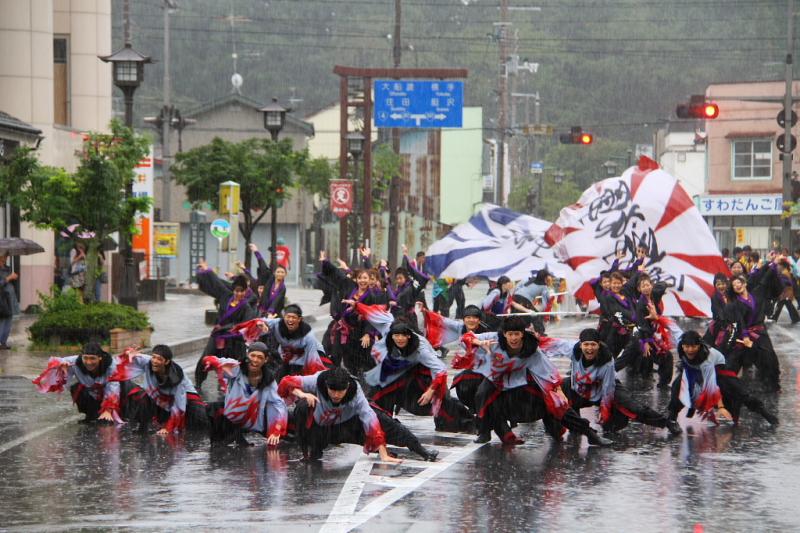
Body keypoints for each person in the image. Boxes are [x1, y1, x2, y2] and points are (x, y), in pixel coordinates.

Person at [464, 316, 612, 446]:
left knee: (558, 404)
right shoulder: (493, 339)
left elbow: (548, 372)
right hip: (496, 377)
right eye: (510, 334)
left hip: (523, 378)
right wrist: (478, 342)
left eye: (517, 334)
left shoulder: (532, 349)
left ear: (522, 334)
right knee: (479, 394)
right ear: (504, 334)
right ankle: (484, 432)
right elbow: (466, 337)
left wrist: (558, 390)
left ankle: (589, 434)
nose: (514, 338)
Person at [278, 366, 438, 462]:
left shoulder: (356, 392)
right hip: (322, 428)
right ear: (326, 385)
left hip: (350, 425)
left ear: (347, 387)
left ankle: (422, 451)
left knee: (388, 423)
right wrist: (302, 394)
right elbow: (286, 382)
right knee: (302, 407)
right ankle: (310, 452)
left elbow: (370, 420)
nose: (336, 395)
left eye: (340, 391)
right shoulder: (317, 379)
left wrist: (383, 454)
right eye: (332, 390)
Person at [558, 329, 681, 435]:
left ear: (598, 345)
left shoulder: (607, 361)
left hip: (606, 387)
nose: (589, 349)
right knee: (562, 385)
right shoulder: (572, 349)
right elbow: (551, 344)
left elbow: (608, 391)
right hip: (582, 387)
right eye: (586, 345)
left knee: (635, 408)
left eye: (593, 345)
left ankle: (667, 422)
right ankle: (575, 425)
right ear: (580, 345)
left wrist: (604, 414)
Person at [668, 331, 778, 426]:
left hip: (719, 372)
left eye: (693, 347)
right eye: (687, 347)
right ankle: (672, 419)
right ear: (682, 346)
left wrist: (721, 407)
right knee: (677, 385)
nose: (690, 350)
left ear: (699, 346)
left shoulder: (707, 356)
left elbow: (712, 385)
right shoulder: (681, 349)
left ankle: (764, 413)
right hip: (695, 371)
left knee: (740, 392)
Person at [203, 342, 288, 447]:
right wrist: (213, 363)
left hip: (254, 420)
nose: (255, 360)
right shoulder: (236, 368)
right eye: (253, 356)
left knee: (287, 428)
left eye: (260, 357)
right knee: (213, 409)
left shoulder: (269, 381)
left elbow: (278, 405)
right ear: (247, 355)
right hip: (232, 419)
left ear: (265, 360)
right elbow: (210, 360)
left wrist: (276, 430)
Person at [111, 344, 208, 434]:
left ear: (166, 362)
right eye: (153, 357)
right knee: (142, 396)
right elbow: (123, 362)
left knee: (201, 419)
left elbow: (179, 406)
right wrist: (127, 354)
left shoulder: (176, 379)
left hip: (185, 398)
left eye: (159, 359)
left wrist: (168, 428)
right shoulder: (148, 361)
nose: (154, 361)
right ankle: (143, 426)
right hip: (158, 396)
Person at [195, 261, 257, 386]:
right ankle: (198, 382)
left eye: (242, 292)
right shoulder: (225, 296)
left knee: (232, 365)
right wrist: (208, 271)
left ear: (245, 292)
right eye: (237, 291)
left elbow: (244, 326)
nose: (239, 294)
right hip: (217, 336)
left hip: (232, 340)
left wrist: (228, 330)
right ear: (233, 290)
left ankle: (231, 386)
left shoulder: (246, 308)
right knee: (206, 358)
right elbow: (217, 283)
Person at [32, 342, 127, 423]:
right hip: (92, 393)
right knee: (75, 388)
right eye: (85, 358)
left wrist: (108, 410)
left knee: (126, 385)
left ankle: (122, 413)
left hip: (112, 394)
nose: (88, 362)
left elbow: (113, 386)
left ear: (100, 358)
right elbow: (57, 362)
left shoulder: (111, 365)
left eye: (92, 358)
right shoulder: (75, 361)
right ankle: (91, 414)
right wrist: (61, 367)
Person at [0, 253, 18, 350]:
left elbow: (12, 283)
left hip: (10, 297)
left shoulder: (8, 268)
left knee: (9, 319)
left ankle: (3, 342)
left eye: (6, 256)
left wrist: (14, 277)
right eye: (4, 256)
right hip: (2, 298)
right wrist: (8, 278)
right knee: (2, 319)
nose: (6, 258)